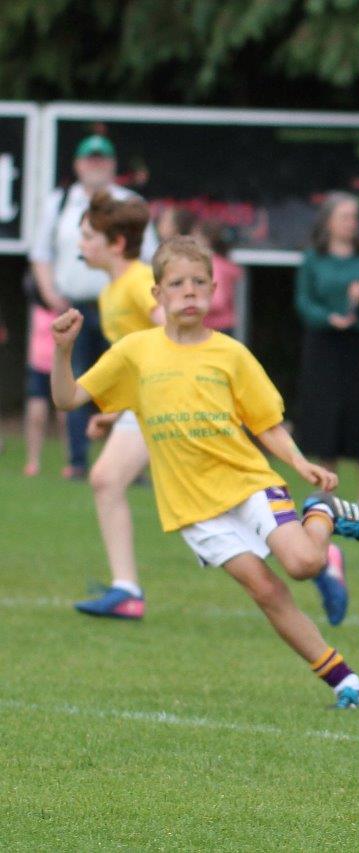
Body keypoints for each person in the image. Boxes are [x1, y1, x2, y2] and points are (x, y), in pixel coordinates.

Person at [50, 236, 359, 708]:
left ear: (214, 290)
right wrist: (63, 351)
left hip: (248, 483)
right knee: (266, 592)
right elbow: (67, 399)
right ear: (157, 295)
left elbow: (265, 424)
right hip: (193, 509)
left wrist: (299, 463)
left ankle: (322, 514)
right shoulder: (135, 352)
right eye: (177, 284)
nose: (188, 292)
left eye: (198, 283)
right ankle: (345, 681)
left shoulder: (230, 354)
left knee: (302, 564)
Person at [27, 134, 158, 479]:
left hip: (126, 309)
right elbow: (41, 253)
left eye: (102, 159)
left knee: (127, 377)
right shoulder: (59, 203)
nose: (96, 165)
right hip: (77, 304)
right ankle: (79, 459)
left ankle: (133, 464)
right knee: (81, 379)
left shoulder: (129, 206)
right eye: (90, 159)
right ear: (77, 164)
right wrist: (50, 293)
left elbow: (162, 320)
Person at [69, 191, 162, 619]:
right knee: (105, 479)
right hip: (143, 405)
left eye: (89, 236)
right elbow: (133, 362)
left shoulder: (139, 281)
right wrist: (115, 410)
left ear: (117, 243)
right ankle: (126, 590)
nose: (81, 243)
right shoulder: (110, 293)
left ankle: (315, 558)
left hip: (169, 404)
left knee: (215, 508)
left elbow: (170, 327)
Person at [294, 192, 359, 505]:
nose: (352, 223)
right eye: (345, 217)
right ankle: (325, 486)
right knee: (324, 414)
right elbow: (303, 301)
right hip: (322, 344)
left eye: (354, 217)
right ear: (329, 221)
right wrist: (327, 318)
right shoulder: (313, 257)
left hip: (356, 345)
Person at [23, 303, 65, 477]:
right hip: (38, 364)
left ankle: (72, 462)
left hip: (63, 364)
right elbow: (31, 332)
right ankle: (33, 462)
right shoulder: (36, 307)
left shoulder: (70, 309)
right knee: (36, 415)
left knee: (65, 417)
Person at [197, 219, 241, 334]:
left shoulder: (213, 265)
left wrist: (192, 304)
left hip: (216, 327)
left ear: (207, 241)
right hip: (225, 325)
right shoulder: (223, 262)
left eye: (197, 237)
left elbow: (218, 301)